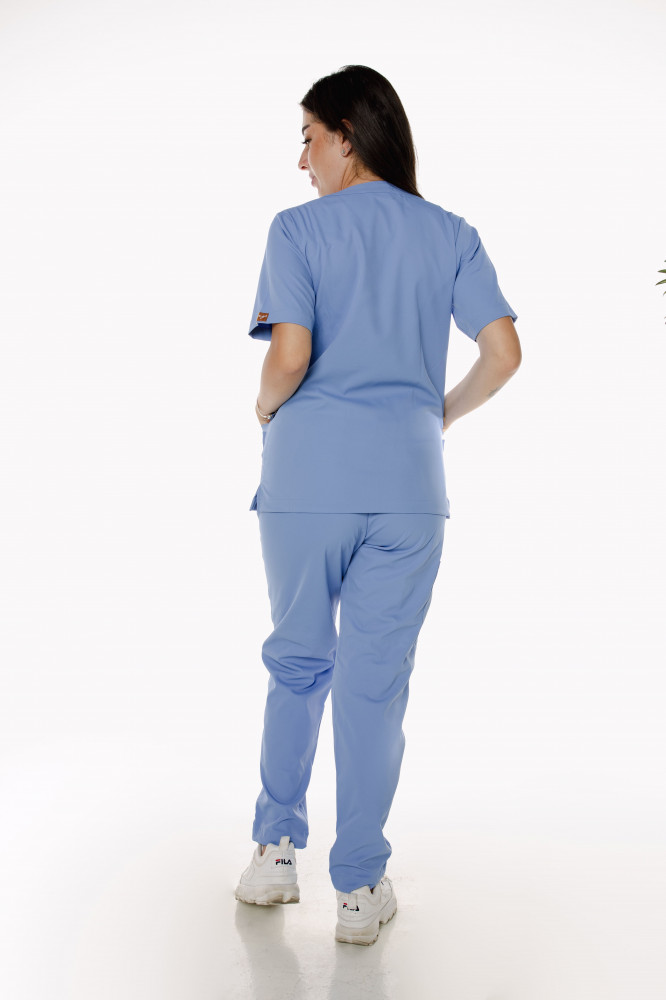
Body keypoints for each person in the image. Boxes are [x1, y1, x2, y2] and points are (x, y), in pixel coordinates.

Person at [234, 65, 521, 946]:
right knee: (374, 685)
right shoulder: (452, 234)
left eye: (309, 139)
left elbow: (289, 355)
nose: (302, 161)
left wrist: (264, 408)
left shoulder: (297, 231)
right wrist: (438, 415)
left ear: (347, 137)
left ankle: (274, 853)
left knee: (298, 662)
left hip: (306, 483)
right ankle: (358, 890)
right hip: (408, 489)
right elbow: (504, 353)